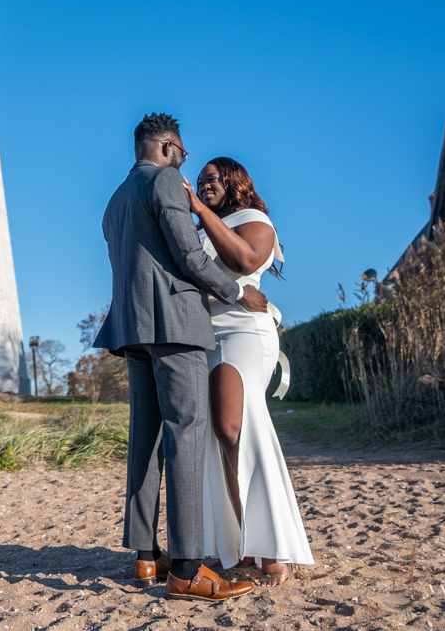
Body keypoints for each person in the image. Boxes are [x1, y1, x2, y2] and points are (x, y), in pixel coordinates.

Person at [94, 113, 267, 602]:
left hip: (132, 329)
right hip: (175, 326)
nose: (185, 161)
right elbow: (189, 257)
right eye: (184, 153)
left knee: (144, 440)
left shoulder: (113, 200)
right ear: (168, 147)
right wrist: (237, 292)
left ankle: (147, 556)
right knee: (185, 436)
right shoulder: (166, 181)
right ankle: (189, 567)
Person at [181, 157, 315, 587]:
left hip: (244, 330)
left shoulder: (253, 218)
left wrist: (200, 213)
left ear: (234, 182)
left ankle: (273, 549)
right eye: (200, 182)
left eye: (212, 180)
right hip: (207, 333)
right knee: (221, 438)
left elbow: (244, 261)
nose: (204, 186)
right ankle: (245, 545)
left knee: (238, 428)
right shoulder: (199, 231)